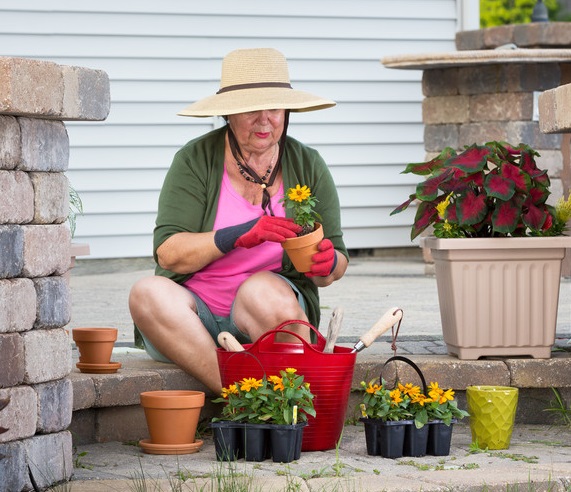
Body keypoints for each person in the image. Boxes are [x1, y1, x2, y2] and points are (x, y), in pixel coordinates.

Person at [129, 48, 348, 394]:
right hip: (191, 321)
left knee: (263, 289)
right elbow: (168, 253)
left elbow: (334, 264)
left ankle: (283, 396)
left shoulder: (309, 164)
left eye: (274, 108)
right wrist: (238, 235)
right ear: (228, 114)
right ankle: (238, 395)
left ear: (287, 112)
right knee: (146, 293)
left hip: (265, 315)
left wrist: (329, 263)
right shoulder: (194, 160)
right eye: (251, 109)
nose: (265, 120)